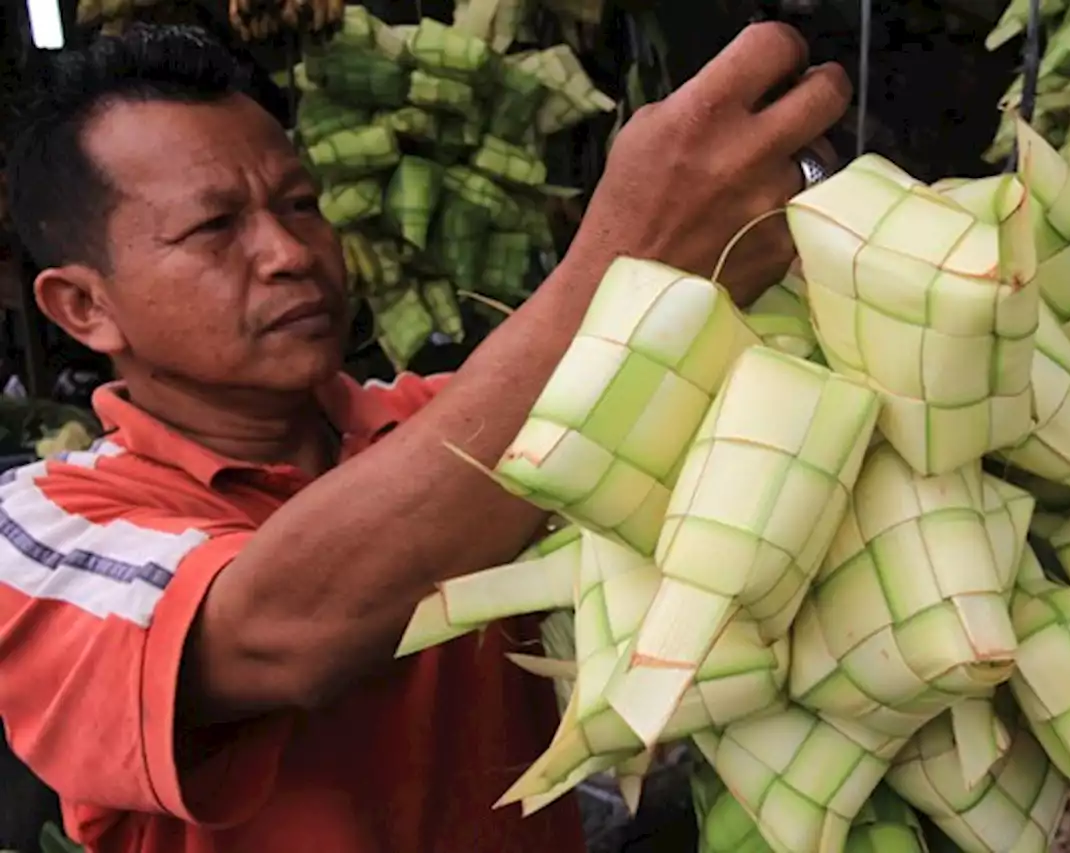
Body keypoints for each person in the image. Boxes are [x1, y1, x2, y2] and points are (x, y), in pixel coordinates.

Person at [0, 20, 850, 853]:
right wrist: (626, 269)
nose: (290, 251)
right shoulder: (38, 534)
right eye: (214, 227)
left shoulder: (444, 418)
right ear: (84, 305)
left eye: (301, 204)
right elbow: (280, 630)